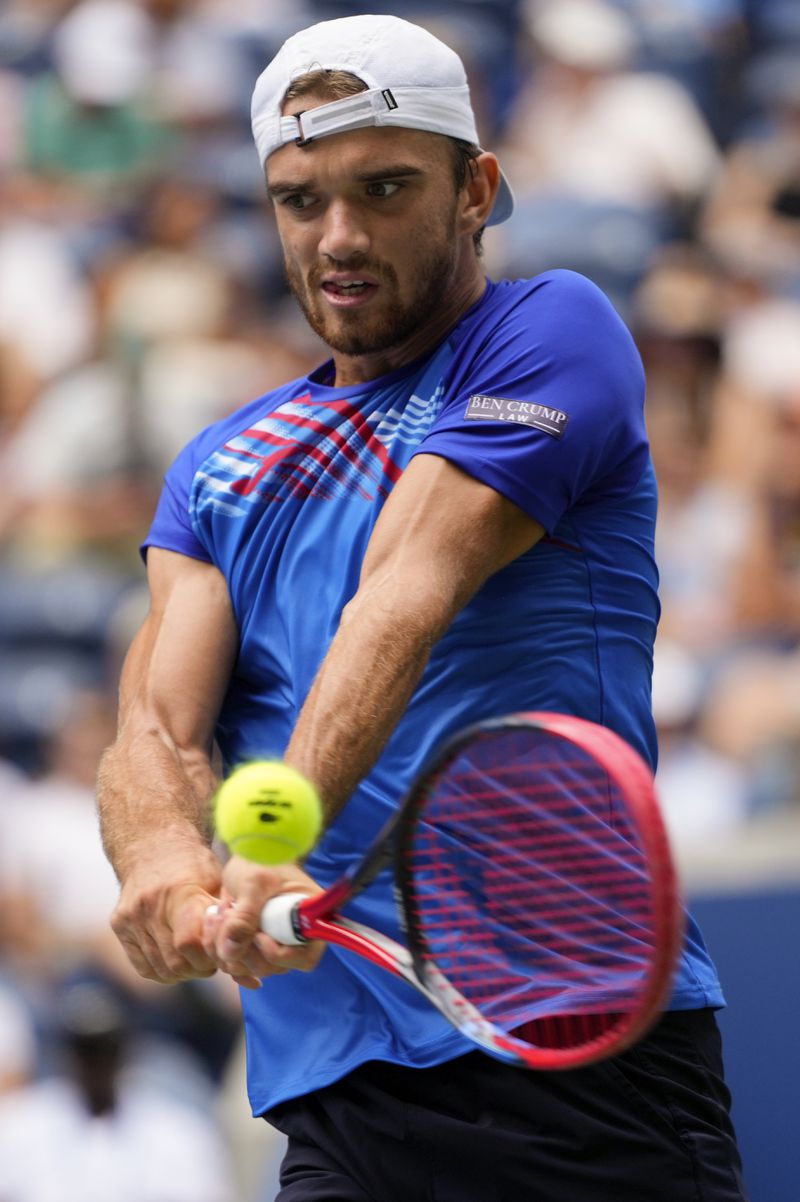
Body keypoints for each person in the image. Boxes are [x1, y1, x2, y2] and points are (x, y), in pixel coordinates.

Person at [97, 14, 749, 1201]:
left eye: (384, 188)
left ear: (474, 190)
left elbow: (403, 591)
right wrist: (157, 853)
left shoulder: (548, 331)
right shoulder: (215, 465)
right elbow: (155, 724)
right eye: (300, 201)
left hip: (579, 1054)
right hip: (341, 1099)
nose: (337, 237)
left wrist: (264, 841)